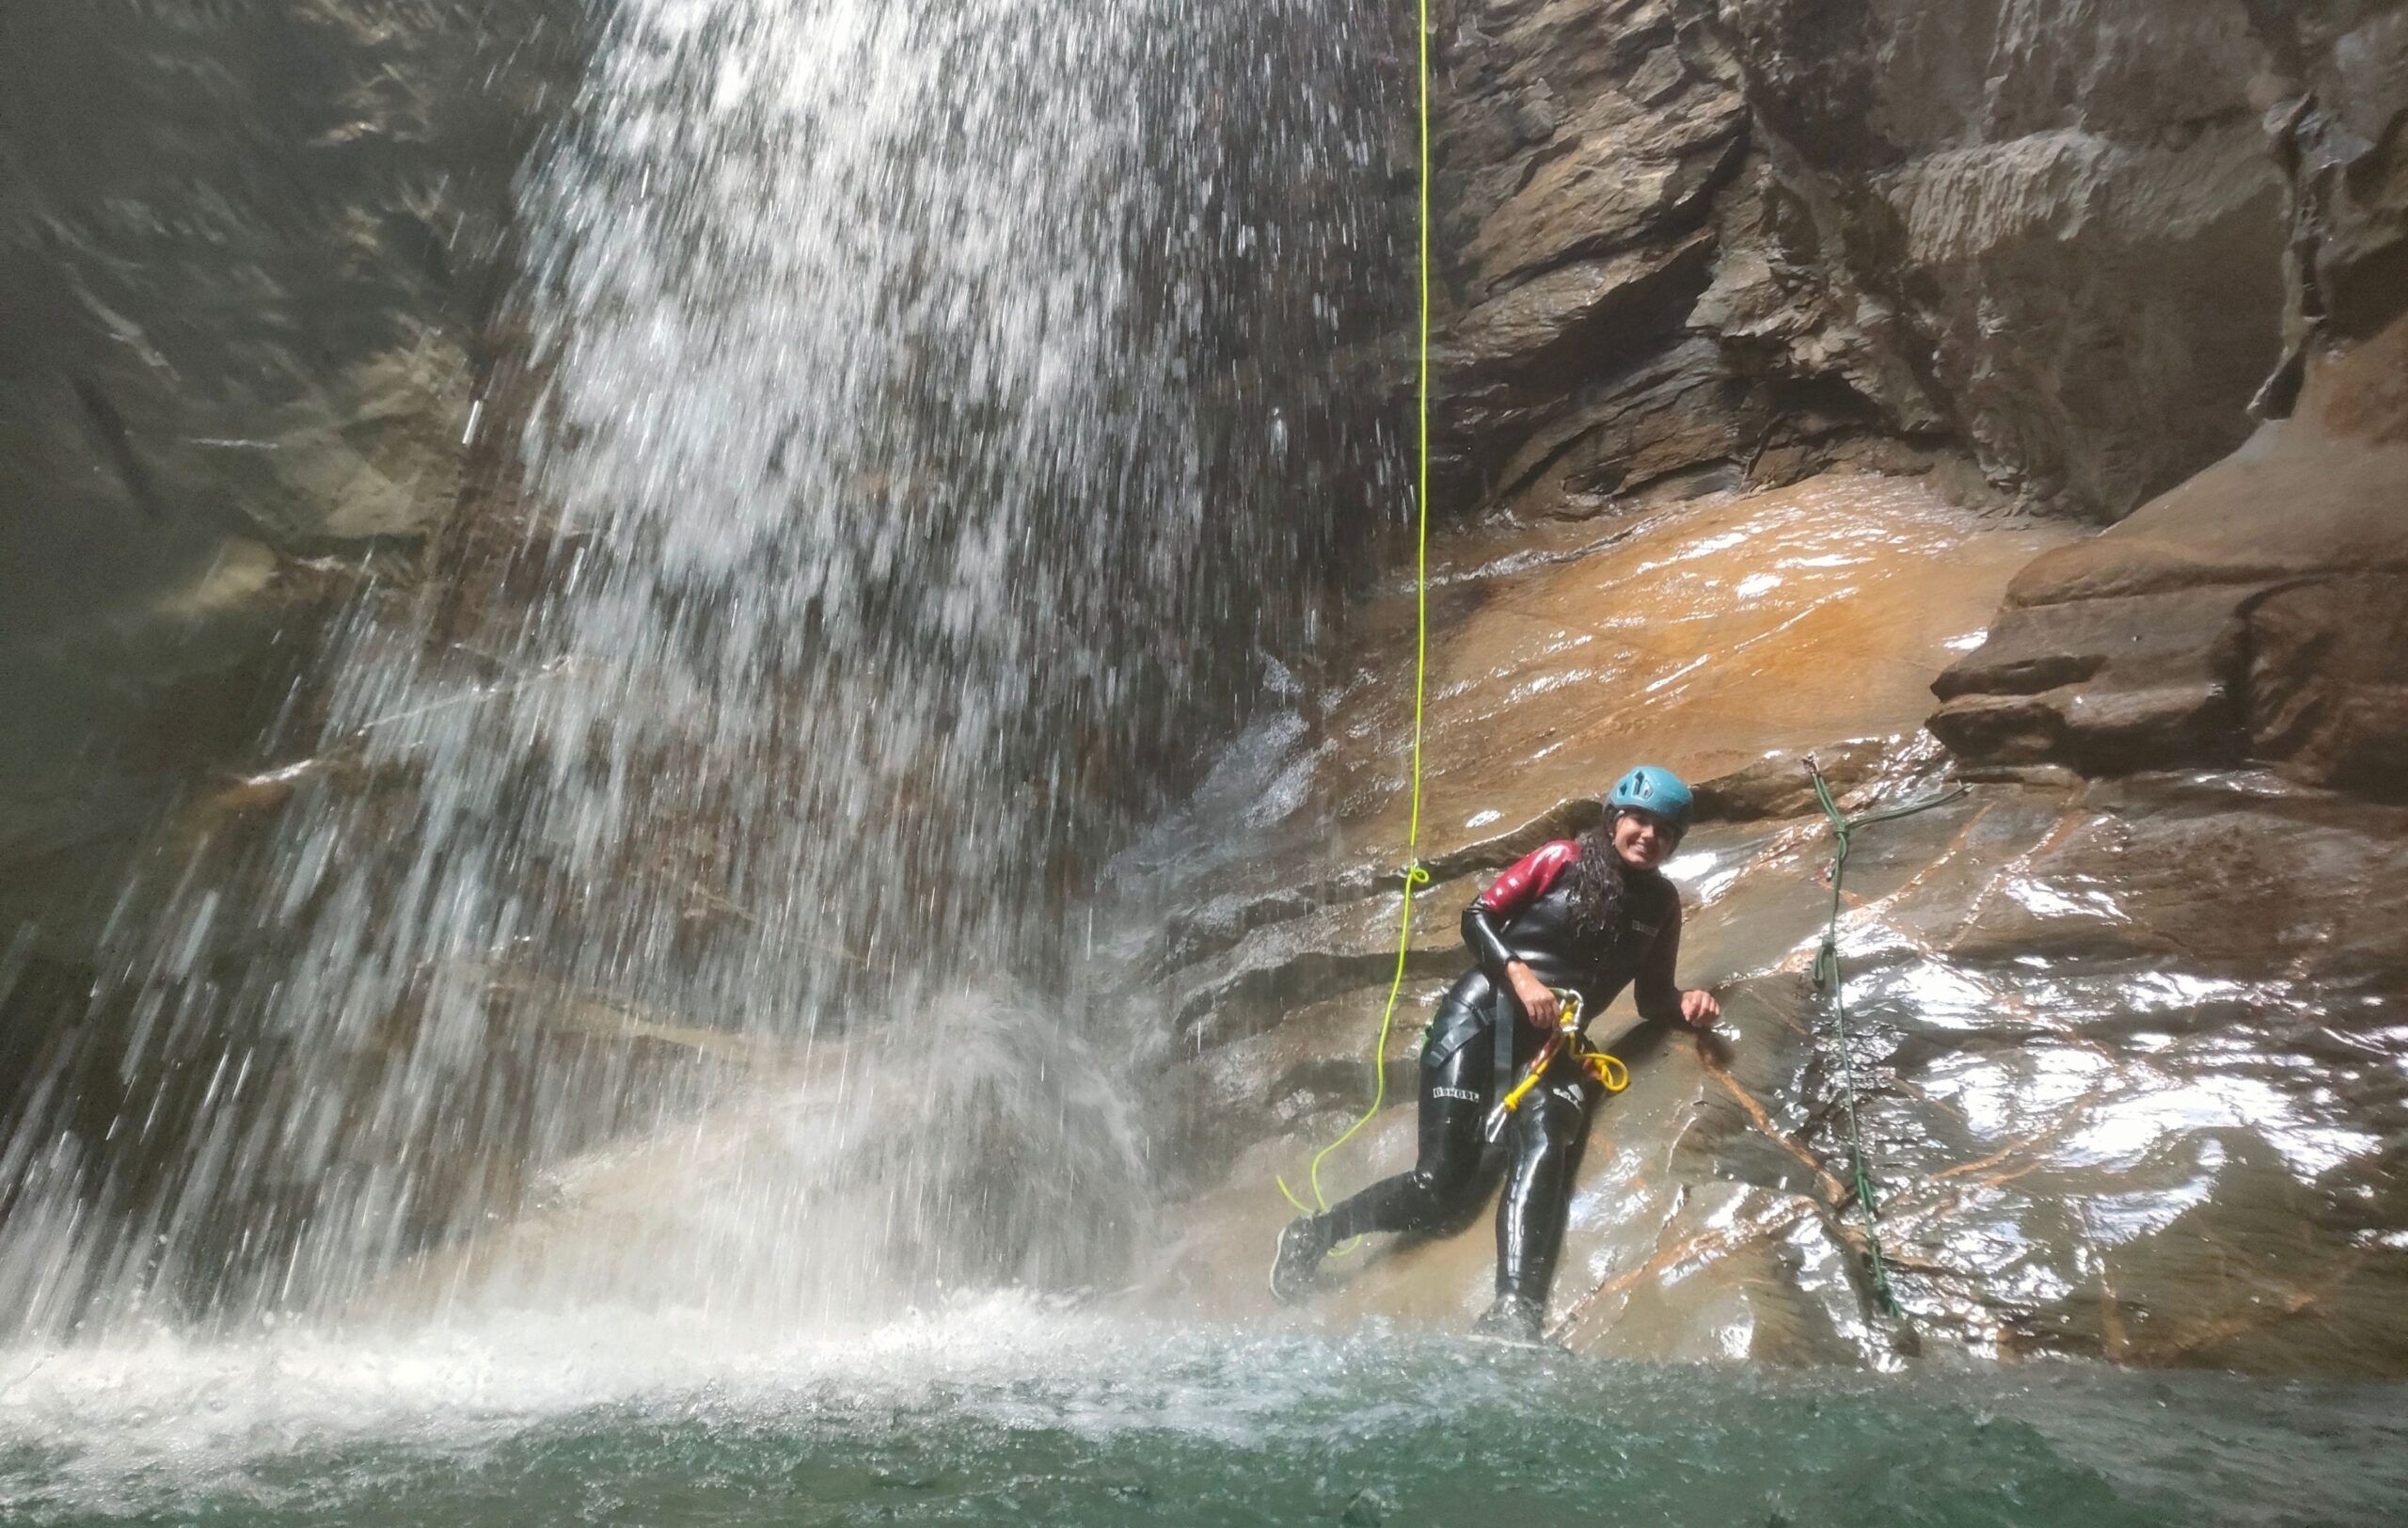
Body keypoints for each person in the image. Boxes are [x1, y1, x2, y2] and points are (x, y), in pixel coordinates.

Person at [1269, 765, 1722, 1342]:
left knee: (1547, 1137)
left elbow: (1654, 997)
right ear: (1614, 820)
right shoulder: (1561, 859)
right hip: (1481, 1016)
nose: (1649, 835)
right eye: (1639, 820)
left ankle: (1515, 1308)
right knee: (1441, 1189)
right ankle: (1316, 1233)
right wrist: (1521, 977)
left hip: (1552, 1044)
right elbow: (1477, 915)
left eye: (1665, 830)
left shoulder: (1661, 904)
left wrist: (1687, 1005)